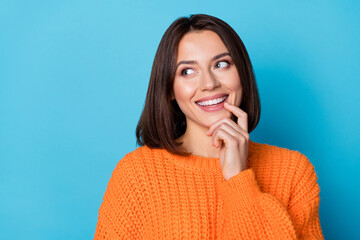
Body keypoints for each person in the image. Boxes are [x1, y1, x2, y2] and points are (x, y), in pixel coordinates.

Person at [94, 14, 324, 239]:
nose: (209, 83)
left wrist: (238, 179)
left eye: (221, 64)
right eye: (187, 71)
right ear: (169, 90)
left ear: (242, 74)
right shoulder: (137, 174)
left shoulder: (293, 171)